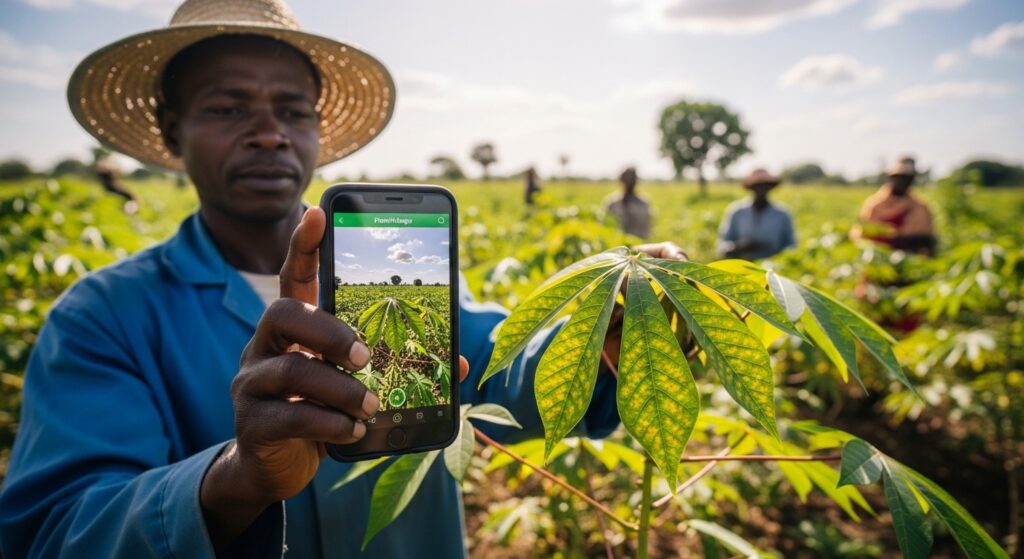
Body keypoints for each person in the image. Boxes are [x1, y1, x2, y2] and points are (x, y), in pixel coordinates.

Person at [0, 1, 689, 557]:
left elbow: (502, 364)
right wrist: (235, 479)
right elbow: (53, 532)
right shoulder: (104, 316)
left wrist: (605, 337)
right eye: (228, 108)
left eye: (293, 111)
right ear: (171, 128)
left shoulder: (395, 277)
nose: (269, 133)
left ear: (317, 130)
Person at [851, 156, 936, 256]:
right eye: (898, 177)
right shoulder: (874, 205)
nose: (901, 182)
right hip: (878, 256)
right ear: (890, 178)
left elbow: (926, 239)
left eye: (906, 178)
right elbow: (861, 235)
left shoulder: (920, 207)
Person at [717, 168, 796, 260]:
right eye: (757, 186)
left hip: (773, 266)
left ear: (770, 187)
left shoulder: (782, 213)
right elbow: (722, 245)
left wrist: (777, 256)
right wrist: (738, 246)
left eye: (765, 185)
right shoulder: (737, 211)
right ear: (751, 187)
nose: (761, 189)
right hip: (742, 265)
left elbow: (791, 246)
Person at [604, 166, 652, 239]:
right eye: (627, 178)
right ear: (622, 180)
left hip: (639, 243)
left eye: (632, 179)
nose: (629, 182)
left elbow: (647, 229)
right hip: (616, 243)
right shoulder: (612, 203)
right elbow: (606, 227)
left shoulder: (643, 203)